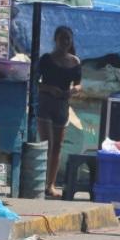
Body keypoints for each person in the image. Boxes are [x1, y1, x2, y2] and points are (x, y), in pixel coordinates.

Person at [37, 25, 82, 198]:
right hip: (46, 103)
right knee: (46, 144)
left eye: (67, 39)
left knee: (57, 147)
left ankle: (51, 184)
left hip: (63, 105)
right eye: (62, 38)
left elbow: (78, 84)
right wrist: (49, 88)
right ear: (55, 39)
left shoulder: (75, 62)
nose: (64, 42)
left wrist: (73, 91)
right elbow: (35, 82)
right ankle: (40, 182)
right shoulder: (46, 59)